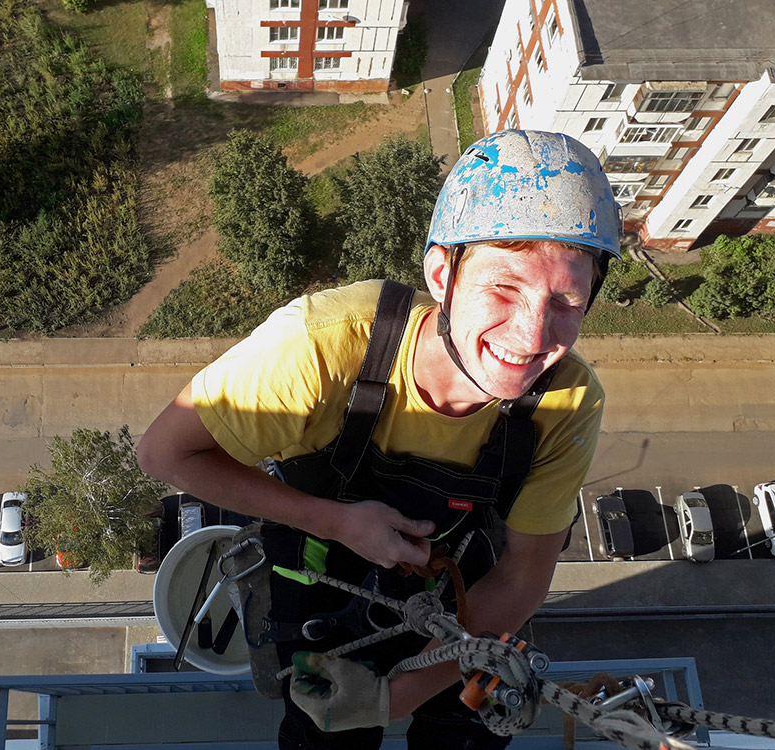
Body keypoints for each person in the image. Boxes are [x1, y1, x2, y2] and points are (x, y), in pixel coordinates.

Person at [138, 129, 623, 749]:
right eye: (504, 288)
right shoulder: (326, 346)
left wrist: (404, 693)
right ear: (442, 273)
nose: (532, 336)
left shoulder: (566, 401)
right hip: (318, 584)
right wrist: (336, 521)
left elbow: (523, 577)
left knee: (467, 732)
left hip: (460, 596)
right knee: (323, 732)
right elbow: (165, 453)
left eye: (567, 299)